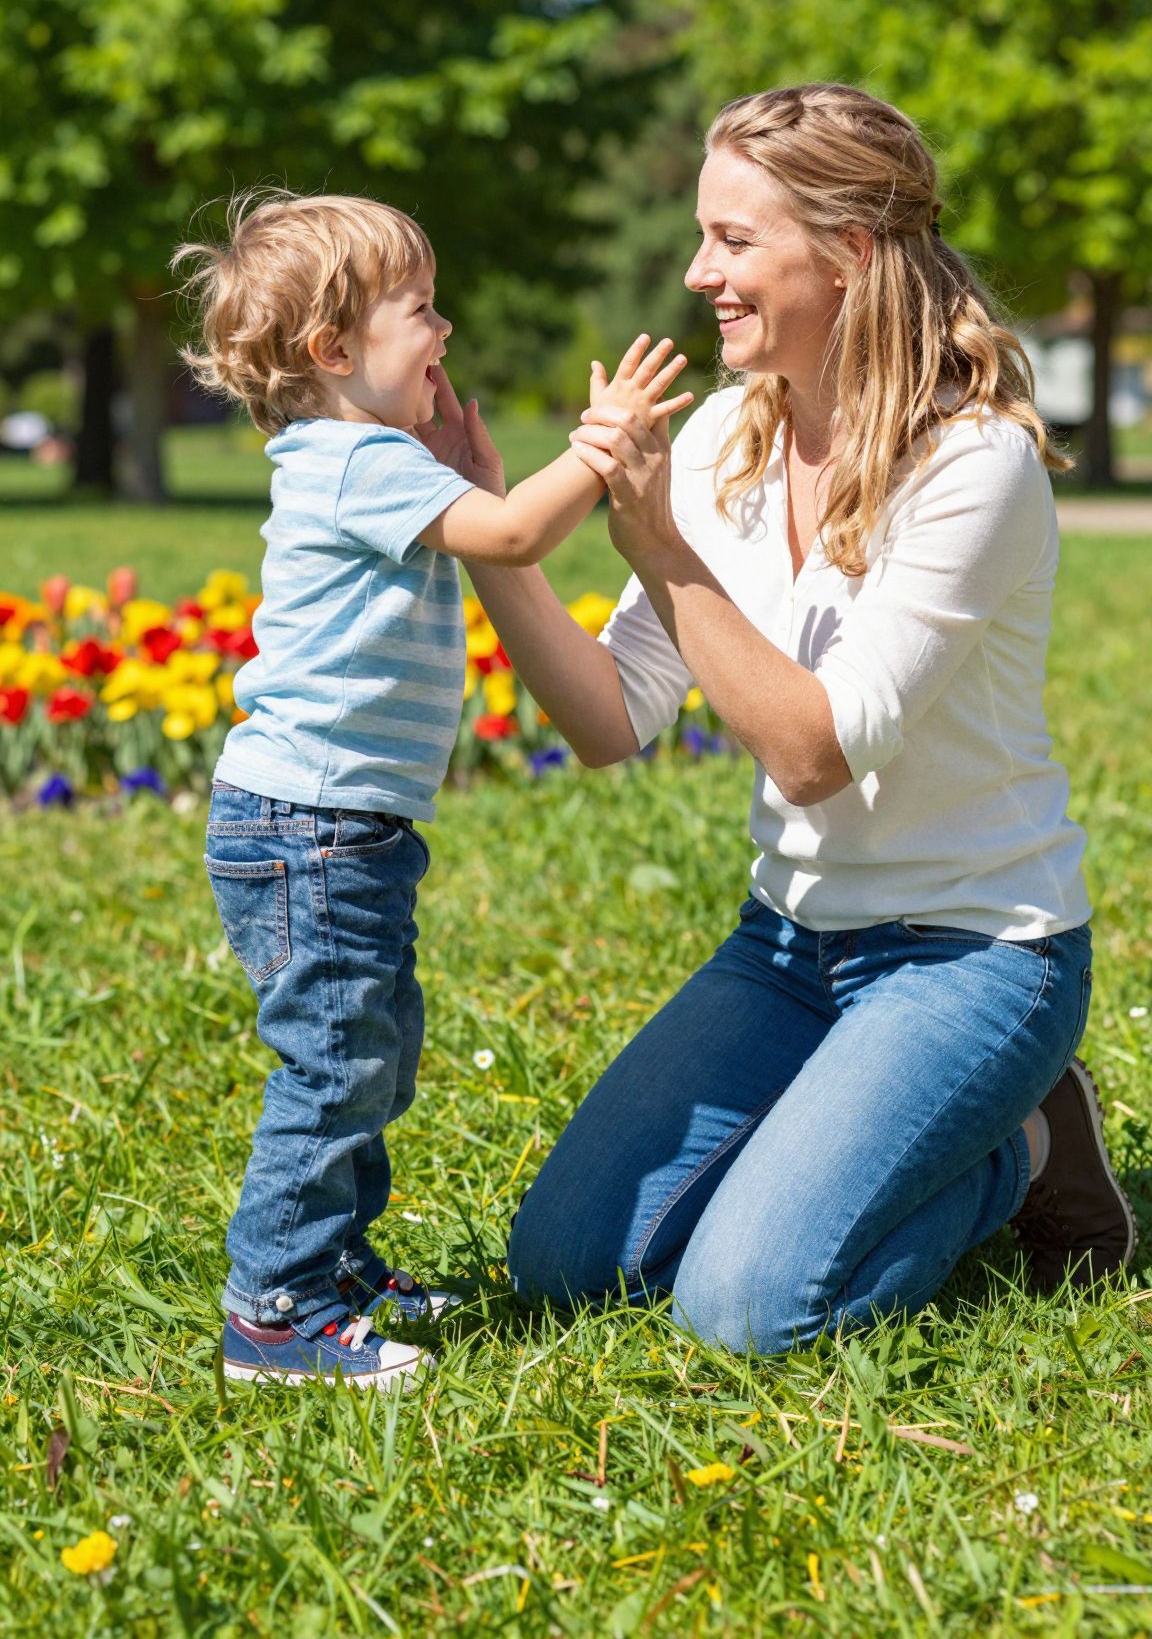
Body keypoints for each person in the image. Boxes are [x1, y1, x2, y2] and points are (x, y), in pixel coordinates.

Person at [452, 83, 1136, 1355]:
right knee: (562, 1265)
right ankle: (851, 1131)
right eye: (703, 235)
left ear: (850, 252)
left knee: (753, 1308)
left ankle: (1023, 1143)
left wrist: (660, 546)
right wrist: (489, 530)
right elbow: (613, 718)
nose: (702, 270)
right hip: (790, 946)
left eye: (736, 239)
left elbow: (816, 752)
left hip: (974, 957)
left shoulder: (969, 463)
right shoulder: (725, 437)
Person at [176, 191, 692, 1388]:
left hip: (341, 826)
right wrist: (600, 445)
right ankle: (276, 1308)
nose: (446, 330)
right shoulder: (350, 459)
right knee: (334, 1059)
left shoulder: (377, 458)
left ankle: (336, 1262)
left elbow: (484, 520)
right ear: (333, 352)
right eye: (422, 308)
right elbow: (512, 536)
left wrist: (467, 470)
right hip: (309, 826)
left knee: (375, 1048)